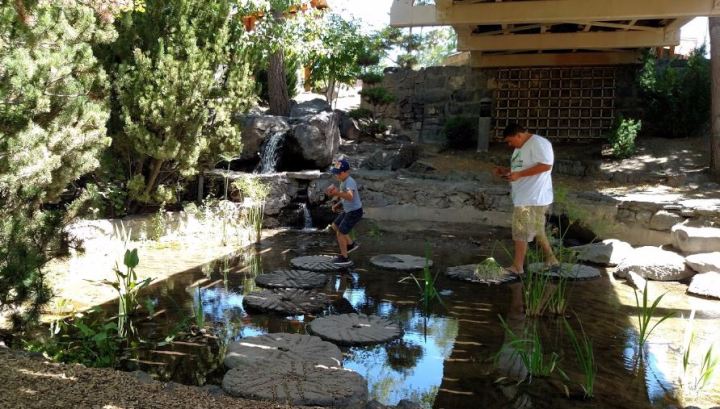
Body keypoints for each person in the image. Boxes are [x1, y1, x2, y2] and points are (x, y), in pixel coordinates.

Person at [493, 123, 559, 275]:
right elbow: (521, 169)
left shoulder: (537, 143)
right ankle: (551, 259)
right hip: (526, 196)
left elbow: (546, 165)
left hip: (533, 197)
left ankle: (518, 267)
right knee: (538, 229)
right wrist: (507, 172)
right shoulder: (520, 148)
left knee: (520, 231)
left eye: (510, 141)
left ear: (519, 135)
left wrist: (519, 175)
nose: (509, 145)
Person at [325, 158, 363, 266]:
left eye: (339, 173)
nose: (337, 175)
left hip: (354, 212)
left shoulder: (349, 182)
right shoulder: (343, 181)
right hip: (348, 210)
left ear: (346, 172)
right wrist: (337, 204)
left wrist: (337, 192)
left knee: (340, 233)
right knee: (335, 225)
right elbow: (345, 198)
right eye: (336, 173)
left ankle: (344, 258)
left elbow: (350, 196)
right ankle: (350, 245)